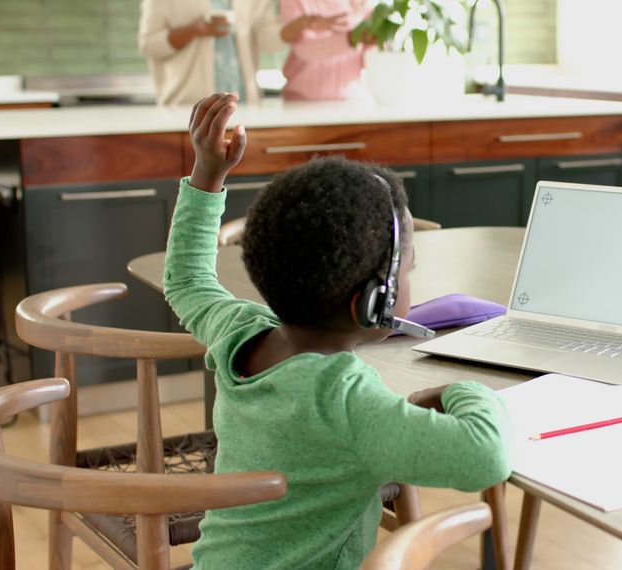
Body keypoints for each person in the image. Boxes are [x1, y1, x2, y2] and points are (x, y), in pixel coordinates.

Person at [164, 92, 513, 569]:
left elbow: (186, 278)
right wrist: (468, 389)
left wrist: (208, 173)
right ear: (373, 302)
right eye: (408, 270)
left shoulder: (238, 330)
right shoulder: (346, 401)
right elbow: (484, 457)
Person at [139, 0, 346, 105]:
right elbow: (149, 44)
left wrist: (300, 25)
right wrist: (195, 30)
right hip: (186, 107)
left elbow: (269, 40)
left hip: (244, 106)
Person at [280, 0, 372, 100]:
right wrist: (350, 39)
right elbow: (304, 50)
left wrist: (374, 41)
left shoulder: (360, 3)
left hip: (351, 98)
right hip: (302, 99)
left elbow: (369, 55)